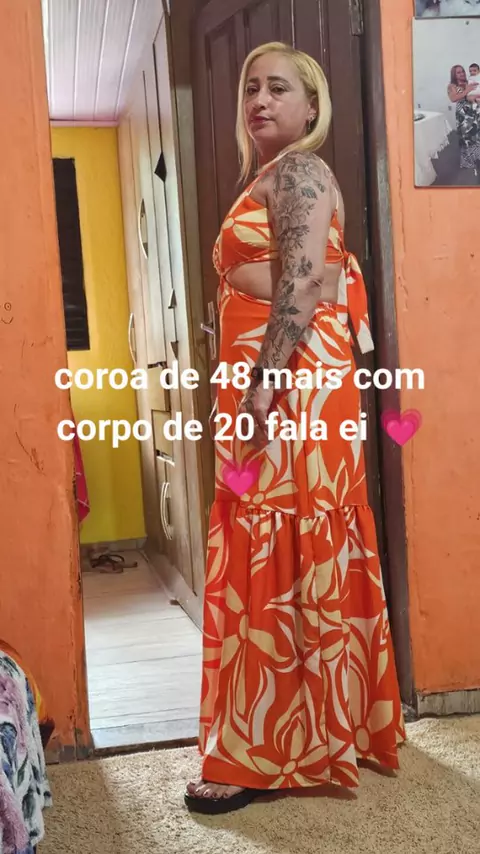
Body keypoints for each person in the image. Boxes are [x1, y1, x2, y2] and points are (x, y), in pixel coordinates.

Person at [185, 41, 405, 815]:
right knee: (268, 541)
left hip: (292, 385)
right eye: (251, 87)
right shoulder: (269, 176)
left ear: (313, 106)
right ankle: (302, 732)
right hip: (279, 379)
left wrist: (263, 385)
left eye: (278, 88)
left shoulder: (302, 170)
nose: (259, 99)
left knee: (281, 538)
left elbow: (307, 280)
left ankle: (263, 754)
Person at [447, 65, 480, 178]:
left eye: (462, 71)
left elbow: (475, 94)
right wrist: (467, 90)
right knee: (466, 137)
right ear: (454, 74)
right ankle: (468, 161)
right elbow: (453, 98)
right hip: (463, 114)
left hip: (474, 111)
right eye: (458, 72)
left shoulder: (469, 82)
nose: (462, 74)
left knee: (476, 135)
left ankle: (477, 156)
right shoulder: (452, 86)